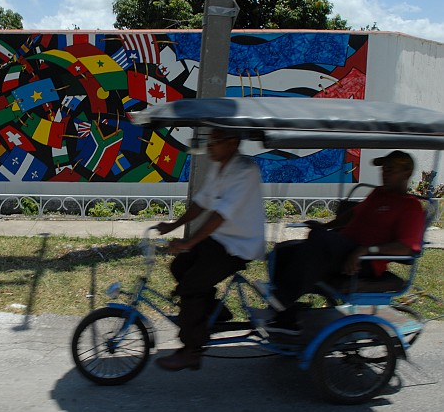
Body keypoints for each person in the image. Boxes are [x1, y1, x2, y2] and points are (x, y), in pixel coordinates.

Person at [268, 150, 426, 335]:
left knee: (320, 240)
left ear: (406, 173)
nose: (385, 173)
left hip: (365, 262)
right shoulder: (378, 193)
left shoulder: (410, 206)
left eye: (391, 169)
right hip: (344, 248)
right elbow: (352, 215)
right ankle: (286, 313)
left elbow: (407, 248)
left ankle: (280, 302)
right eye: (383, 169)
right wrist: (326, 225)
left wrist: (364, 250)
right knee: (284, 251)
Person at [153, 129, 266, 371]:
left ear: (233, 141)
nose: (210, 146)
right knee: (180, 266)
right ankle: (215, 311)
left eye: (215, 141)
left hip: (240, 245)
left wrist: (189, 242)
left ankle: (192, 350)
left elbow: (219, 215)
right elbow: (202, 202)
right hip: (221, 239)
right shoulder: (219, 166)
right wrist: (174, 225)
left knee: (192, 284)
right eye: (210, 141)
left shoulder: (246, 171)